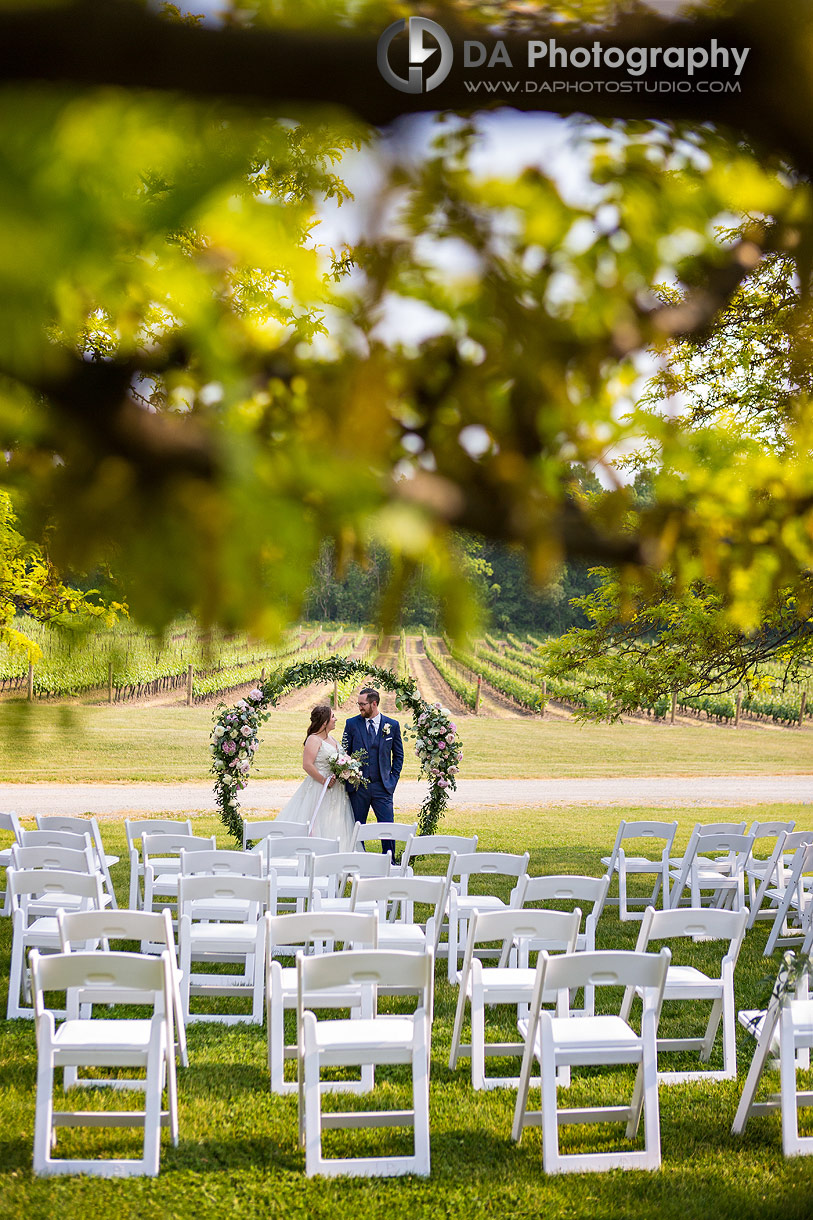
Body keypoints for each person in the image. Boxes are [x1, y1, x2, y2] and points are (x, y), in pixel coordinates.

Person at [277, 704, 354, 850]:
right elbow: (307, 765)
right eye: (332, 717)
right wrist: (324, 781)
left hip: (336, 789)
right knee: (317, 819)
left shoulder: (331, 739)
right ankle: (316, 851)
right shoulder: (314, 739)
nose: (335, 719)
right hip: (320, 787)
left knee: (334, 821)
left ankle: (339, 850)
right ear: (324, 722)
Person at [343, 687, 404, 858]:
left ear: (374, 703)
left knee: (387, 828)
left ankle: (390, 863)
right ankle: (357, 862)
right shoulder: (351, 724)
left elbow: (398, 756)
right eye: (359, 704)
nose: (360, 707)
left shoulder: (392, 725)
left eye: (363, 704)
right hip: (358, 788)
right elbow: (344, 754)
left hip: (383, 787)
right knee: (357, 828)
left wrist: (392, 780)